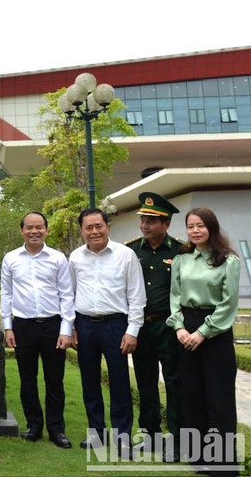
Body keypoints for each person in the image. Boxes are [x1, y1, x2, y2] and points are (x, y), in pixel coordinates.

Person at [167, 207, 240, 473]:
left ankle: (222, 463)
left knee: (219, 398)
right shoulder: (181, 260)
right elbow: (174, 298)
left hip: (215, 332)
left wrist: (202, 332)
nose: (195, 231)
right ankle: (199, 458)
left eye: (200, 225)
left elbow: (228, 304)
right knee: (192, 395)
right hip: (185, 329)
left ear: (211, 227)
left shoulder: (228, 260)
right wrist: (179, 328)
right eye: (190, 226)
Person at [69, 208, 145, 453]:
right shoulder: (75, 258)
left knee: (120, 382)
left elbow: (136, 295)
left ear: (107, 227)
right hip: (85, 325)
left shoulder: (126, 255)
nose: (94, 232)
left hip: (116, 325)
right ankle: (96, 434)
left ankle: (122, 437)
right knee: (89, 382)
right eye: (88, 228)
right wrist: (71, 327)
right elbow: (69, 294)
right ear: (82, 230)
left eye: (98, 226)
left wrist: (132, 330)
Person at [0, 212, 74, 449]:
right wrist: (8, 327)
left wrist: (66, 329)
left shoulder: (57, 258)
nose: (34, 231)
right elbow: (6, 294)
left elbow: (66, 294)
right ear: (21, 230)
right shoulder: (11, 259)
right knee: (27, 380)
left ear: (47, 230)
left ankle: (56, 429)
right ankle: (34, 426)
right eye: (29, 227)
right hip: (23, 327)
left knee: (55, 380)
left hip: (53, 326)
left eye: (39, 227)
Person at [125, 192, 182, 460]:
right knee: (146, 383)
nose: (145, 225)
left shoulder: (182, 251)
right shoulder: (131, 250)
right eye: (143, 220)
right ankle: (150, 436)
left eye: (152, 220)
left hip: (170, 328)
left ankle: (179, 440)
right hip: (142, 328)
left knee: (174, 383)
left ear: (166, 224)